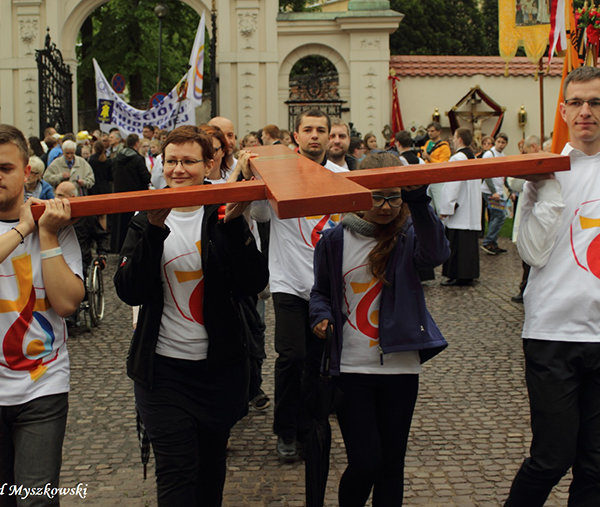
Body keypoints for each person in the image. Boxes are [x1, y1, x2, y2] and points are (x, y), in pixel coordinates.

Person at [114, 125, 268, 506]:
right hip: (162, 372)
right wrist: (153, 227)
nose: (178, 169)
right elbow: (129, 289)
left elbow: (252, 282)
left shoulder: (225, 207)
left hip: (218, 368)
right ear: (161, 164)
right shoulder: (145, 212)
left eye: (188, 161)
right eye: (171, 161)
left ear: (210, 163)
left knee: (211, 469)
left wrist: (234, 225)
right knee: (176, 475)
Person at [310, 151, 449, 506]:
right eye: (376, 196)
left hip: (401, 366)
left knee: (391, 463)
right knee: (365, 460)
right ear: (357, 191)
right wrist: (320, 315)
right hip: (352, 367)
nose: (385, 207)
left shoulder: (410, 234)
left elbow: (435, 254)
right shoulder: (334, 240)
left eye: (393, 197)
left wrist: (418, 199)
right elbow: (321, 291)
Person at [505, 65, 600, 506]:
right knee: (552, 456)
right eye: (577, 102)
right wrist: (547, 190)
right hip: (552, 334)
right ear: (563, 110)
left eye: (595, 102)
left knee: (596, 465)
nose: (586, 111)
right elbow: (532, 253)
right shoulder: (543, 171)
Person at [251, 109, 347, 461]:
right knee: (292, 357)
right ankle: (286, 429)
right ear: (296, 135)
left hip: (326, 285)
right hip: (288, 281)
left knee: (318, 362)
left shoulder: (340, 175)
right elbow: (260, 214)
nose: (315, 136)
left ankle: (312, 427)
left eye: (321, 130)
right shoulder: (281, 171)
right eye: (308, 129)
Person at [0, 124, 84, 503]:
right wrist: (22, 230)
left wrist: (46, 235)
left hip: (42, 385)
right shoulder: (25, 225)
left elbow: (67, 304)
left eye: (5, 168)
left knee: (35, 498)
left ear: (28, 172)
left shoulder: (55, 225)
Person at [438, 127, 481, 286]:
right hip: (471, 209)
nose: (453, 141)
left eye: (454, 138)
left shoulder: (457, 158)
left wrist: (446, 208)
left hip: (459, 209)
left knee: (457, 243)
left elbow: (452, 185)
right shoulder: (474, 158)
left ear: (460, 140)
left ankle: (456, 274)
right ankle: (468, 274)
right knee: (468, 243)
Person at [112, 134, 150, 252]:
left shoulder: (117, 158)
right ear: (137, 143)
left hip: (119, 195)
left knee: (119, 223)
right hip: (135, 196)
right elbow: (146, 177)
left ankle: (117, 247)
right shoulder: (138, 159)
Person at [480, 133, 509, 255]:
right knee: (500, 215)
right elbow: (486, 174)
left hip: (499, 191)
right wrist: (494, 192)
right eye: (499, 142)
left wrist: (508, 188)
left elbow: (503, 175)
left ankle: (493, 243)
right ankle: (488, 242)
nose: (501, 144)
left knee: (494, 216)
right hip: (490, 191)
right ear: (495, 142)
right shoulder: (489, 154)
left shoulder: (502, 155)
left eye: (503, 142)